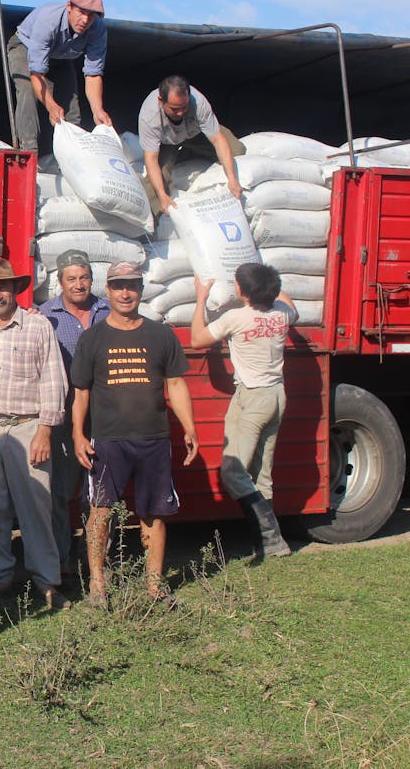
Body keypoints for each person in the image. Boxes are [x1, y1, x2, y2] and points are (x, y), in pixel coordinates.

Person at [70, 260, 199, 608]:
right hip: (108, 440)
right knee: (100, 511)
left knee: (153, 513)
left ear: (141, 290)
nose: (125, 292)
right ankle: (98, 587)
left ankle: (155, 587)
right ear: (107, 291)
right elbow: (81, 392)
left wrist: (189, 427)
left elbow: (176, 383)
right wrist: (79, 435)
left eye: (132, 285)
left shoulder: (161, 335)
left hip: (153, 439)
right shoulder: (93, 338)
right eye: (118, 286)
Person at [0, 259, 70, 609]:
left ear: (15, 290)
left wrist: (45, 431)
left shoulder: (38, 327)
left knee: (36, 506)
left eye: (5, 287)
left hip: (27, 426)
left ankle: (47, 581)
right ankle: (1, 575)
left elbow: (54, 379)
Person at [189, 264, 295, 557]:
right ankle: (267, 544)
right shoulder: (283, 314)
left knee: (234, 472)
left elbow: (197, 339)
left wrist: (200, 298)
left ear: (241, 290)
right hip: (276, 396)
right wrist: (268, 276)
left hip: (252, 399)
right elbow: (289, 302)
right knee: (262, 473)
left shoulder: (236, 317)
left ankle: (272, 539)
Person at [38, 249, 110, 580]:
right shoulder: (44, 316)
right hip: (65, 418)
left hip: (106, 415)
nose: (79, 285)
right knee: (60, 490)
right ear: (60, 281)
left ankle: (94, 557)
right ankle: (62, 558)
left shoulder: (109, 311)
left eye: (84, 278)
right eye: (72, 279)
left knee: (99, 491)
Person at [8, 0, 111, 152]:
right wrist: (50, 105)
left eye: (91, 15)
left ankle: (71, 155)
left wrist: (97, 109)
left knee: (71, 103)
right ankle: (29, 152)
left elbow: (93, 75)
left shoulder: (98, 30)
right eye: (81, 12)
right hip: (26, 47)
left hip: (61, 57)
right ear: (69, 6)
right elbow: (36, 73)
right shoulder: (48, 20)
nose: (85, 20)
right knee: (27, 90)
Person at [138, 74, 247, 215]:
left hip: (196, 134)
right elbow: (151, 159)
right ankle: (154, 224)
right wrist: (162, 196)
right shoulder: (149, 116)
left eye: (184, 107)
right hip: (167, 143)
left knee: (237, 150)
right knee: (156, 187)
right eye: (174, 109)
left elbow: (218, 140)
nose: (180, 113)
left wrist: (232, 179)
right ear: (161, 101)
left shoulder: (198, 103)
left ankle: (187, 153)